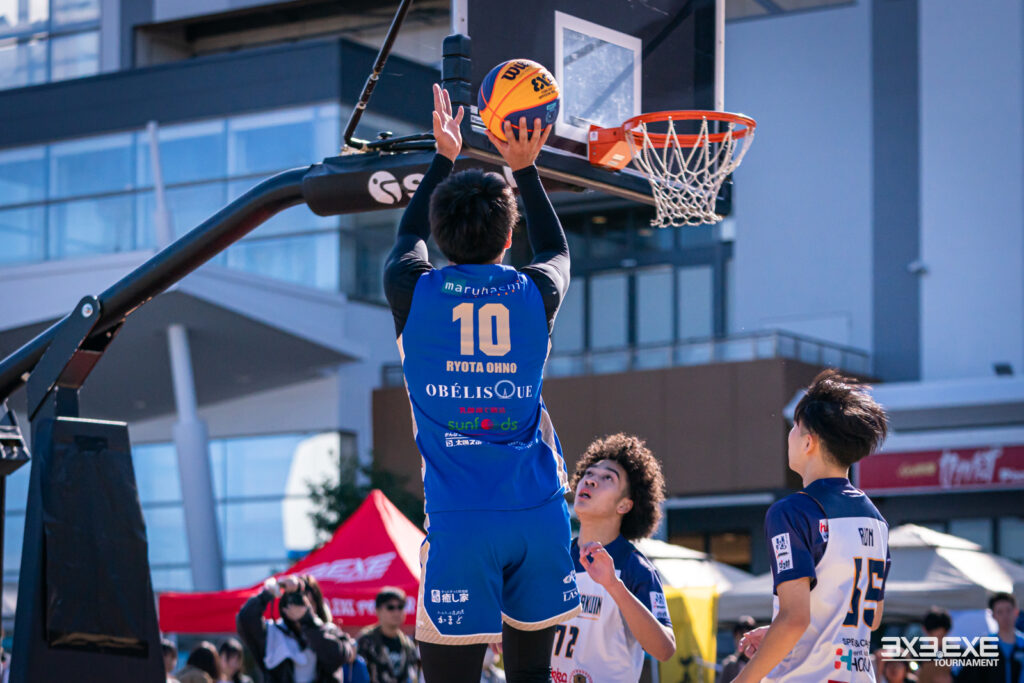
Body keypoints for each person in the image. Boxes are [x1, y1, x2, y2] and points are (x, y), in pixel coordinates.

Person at [382, 83, 578, 683]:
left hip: (462, 518)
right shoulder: (534, 292)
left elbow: (405, 240)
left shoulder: (412, 290)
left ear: (441, 236)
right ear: (509, 237)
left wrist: (444, 156)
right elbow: (557, 248)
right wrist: (526, 167)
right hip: (538, 512)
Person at [735, 370, 891, 683]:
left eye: (795, 426)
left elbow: (794, 619)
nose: (789, 434)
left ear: (809, 442)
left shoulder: (792, 512)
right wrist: (781, 634)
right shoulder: (876, 518)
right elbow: (871, 618)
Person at [550, 434, 676, 683]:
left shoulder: (635, 568)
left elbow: (664, 650)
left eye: (607, 477)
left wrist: (613, 585)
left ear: (624, 506)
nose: (590, 480)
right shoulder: (554, 557)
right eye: (589, 473)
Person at [237, 573, 357, 683]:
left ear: (317, 605)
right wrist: (271, 591)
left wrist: (308, 620)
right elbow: (245, 618)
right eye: (296, 602)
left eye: (308, 604)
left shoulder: (328, 630)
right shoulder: (273, 634)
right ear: (285, 605)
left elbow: (339, 655)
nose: (301, 608)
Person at [956, 592, 1024, 683]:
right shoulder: (983, 646)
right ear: (993, 615)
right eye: (1000, 612)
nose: (1005, 616)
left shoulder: (1022, 644)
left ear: (1016, 612)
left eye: (1008, 610)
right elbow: (967, 677)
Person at [357, 587, 419, 683]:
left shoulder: (408, 645)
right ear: (378, 610)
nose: (396, 612)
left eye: (400, 607)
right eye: (390, 607)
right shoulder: (366, 641)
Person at [916, 608, 953, 683]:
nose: (938, 641)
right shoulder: (918, 655)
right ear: (925, 630)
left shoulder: (957, 653)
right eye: (934, 637)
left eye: (941, 636)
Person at [719, 616, 758, 683]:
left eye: (746, 637)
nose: (742, 641)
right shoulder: (730, 664)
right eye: (740, 636)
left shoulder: (762, 660)